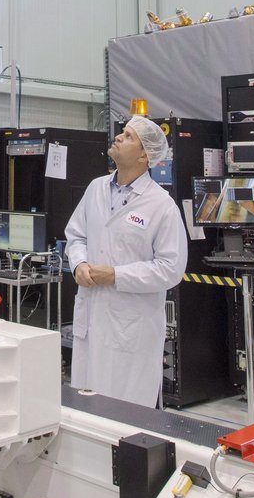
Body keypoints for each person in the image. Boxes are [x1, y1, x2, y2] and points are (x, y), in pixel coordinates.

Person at [65, 116, 188, 406]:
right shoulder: (95, 188)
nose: (119, 137)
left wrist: (116, 275)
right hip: (91, 319)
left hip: (131, 331)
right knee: (86, 408)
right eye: (122, 133)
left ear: (145, 155)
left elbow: (171, 269)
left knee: (125, 414)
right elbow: (76, 235)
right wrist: (79, 264)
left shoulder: (161, 205)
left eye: (129, 136)